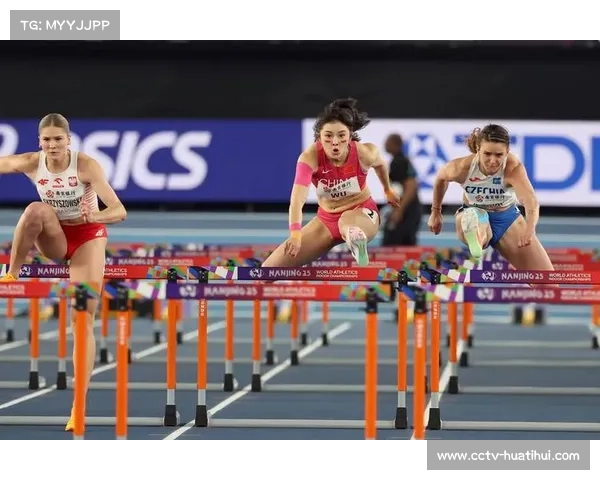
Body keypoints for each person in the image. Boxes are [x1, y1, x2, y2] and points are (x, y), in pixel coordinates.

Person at [0, 113, 127, 432]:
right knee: (35, 210)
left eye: (58, 139)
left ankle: (78, 409)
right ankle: (12, 272)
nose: (53, 144)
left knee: (81, 319)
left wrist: (94, 216)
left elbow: (119, 210)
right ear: (39, 142)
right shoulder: (31, 162)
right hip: (55, 236)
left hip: (88, 237)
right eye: (47, 139)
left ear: (69, 140)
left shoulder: (86, 165)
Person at [262, 98, 400, 323]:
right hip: (325, 222)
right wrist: (295, 234)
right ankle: (351, 237)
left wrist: (387, 190)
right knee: (265, 273)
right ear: (319, 137)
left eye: (341, 136)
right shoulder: (309, 158)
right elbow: (297, 199)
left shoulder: (364, 152)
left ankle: (355, 241)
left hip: (361, 213)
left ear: (350, 136)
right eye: (328, 137)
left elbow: (381, 165)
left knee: (347, 222)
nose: (335, 143)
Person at [427, 123, 553, 272]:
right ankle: (478, 233)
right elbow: (441, 179)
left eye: (499, 155)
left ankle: (480, 234)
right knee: (472, 217)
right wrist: (436, 212)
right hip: (471, 214)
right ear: (478, 149)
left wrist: (530, 228)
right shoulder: (461, 168)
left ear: (507, 152)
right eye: (487, 154)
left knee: (545, 279)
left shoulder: (512, 167)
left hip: (507, 219)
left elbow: (530, 200)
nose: (493, 161)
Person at [381, 133, 422, 246]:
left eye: (388, 142)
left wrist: (399, 210)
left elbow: (411, 186)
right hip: (402, 209)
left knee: (400, 243)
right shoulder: (397, 161)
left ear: (395, 144)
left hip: (407, 211)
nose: (385, 144)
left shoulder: (400, 162)